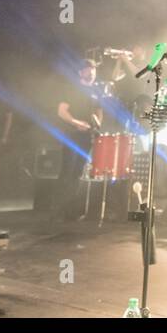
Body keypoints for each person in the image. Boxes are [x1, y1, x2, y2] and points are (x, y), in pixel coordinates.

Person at [54, 59, 104, 221]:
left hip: (87, 136)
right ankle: (58, 210)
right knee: (67, 171)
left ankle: (71, 211)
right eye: (88, 70)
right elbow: (61, 111)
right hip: (72, 134)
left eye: (94, 71)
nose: (92, 74)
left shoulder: (96, 91)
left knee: (78, 172)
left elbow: (99, 111)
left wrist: (97, 123)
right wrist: (76, 123)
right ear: (81, 72)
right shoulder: (71, 88)